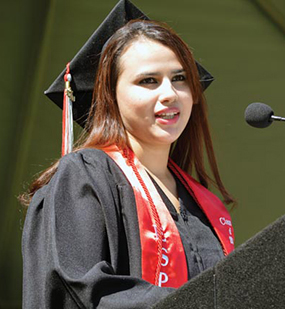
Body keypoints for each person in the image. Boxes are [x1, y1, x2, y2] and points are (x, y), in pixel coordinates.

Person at [20, 1, 235, 308]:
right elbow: (81, 290)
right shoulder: (85, 175)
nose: (170, 94)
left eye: (180, 78)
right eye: (148, 81)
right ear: (111, 95)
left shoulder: (204, 205)